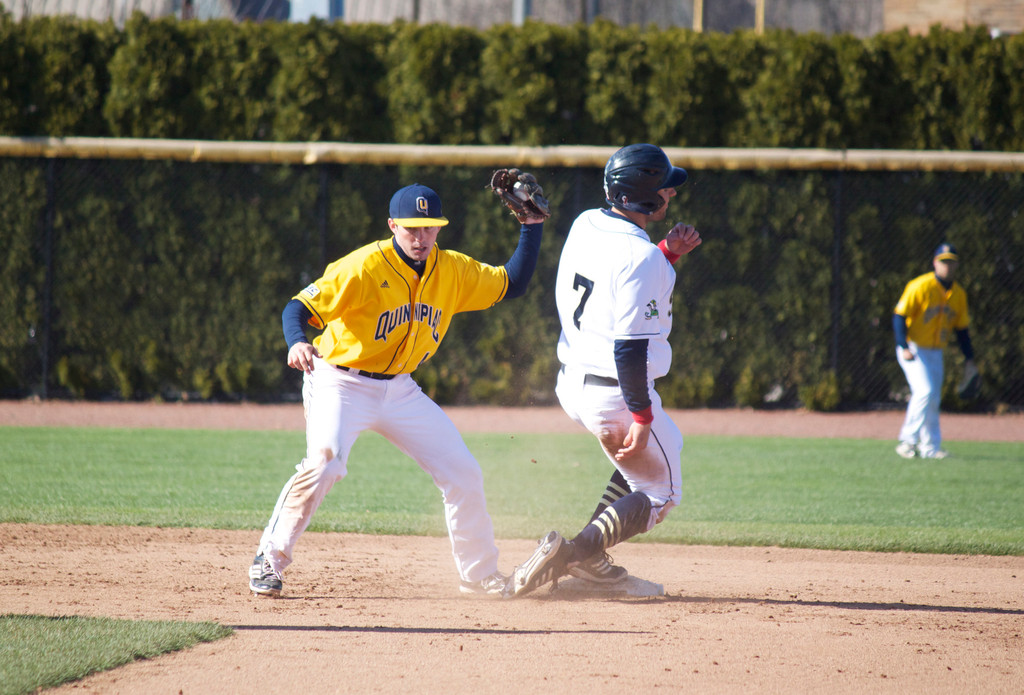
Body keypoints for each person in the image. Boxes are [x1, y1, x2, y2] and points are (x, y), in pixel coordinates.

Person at [249, 182, 545, 597]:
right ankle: (270, 558)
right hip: (340, 381)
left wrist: (531, 225)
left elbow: (511, 283)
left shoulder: (453, 270)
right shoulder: (363, 266)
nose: (420, 237)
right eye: (411, 228)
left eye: (428, 228)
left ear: (439, 228)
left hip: (400, 390)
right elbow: (298, 306)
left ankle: (478, 574)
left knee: (463, 473)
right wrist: (297, 340)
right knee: (326, 463)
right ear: (393, 225)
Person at [508, 144, 702, 597]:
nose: (670, 192)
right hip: (617, 392)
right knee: (661, 494)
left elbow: (617, 287)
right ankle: (571, 554)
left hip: (574, 381)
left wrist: (666, 254)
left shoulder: (586, 223)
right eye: (663, 186)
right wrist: (641, 416)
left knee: (644, 469)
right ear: (645, 196)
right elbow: (630, 346)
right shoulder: (642, 258)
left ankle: (590, 559)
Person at [893, 242, 975, 460]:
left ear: (956, 265)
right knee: (924, 392)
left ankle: (930, 447)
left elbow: (962, 330)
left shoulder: (958, 294)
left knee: (934, 398)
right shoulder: (920, 286)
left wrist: (970, 359)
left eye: (951, 262)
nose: (947, 266)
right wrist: (903, 346)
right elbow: (899, 316)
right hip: (913, 348)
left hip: (935, 351)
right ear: (935, 263)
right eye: (943, 261)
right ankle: (907, 441)